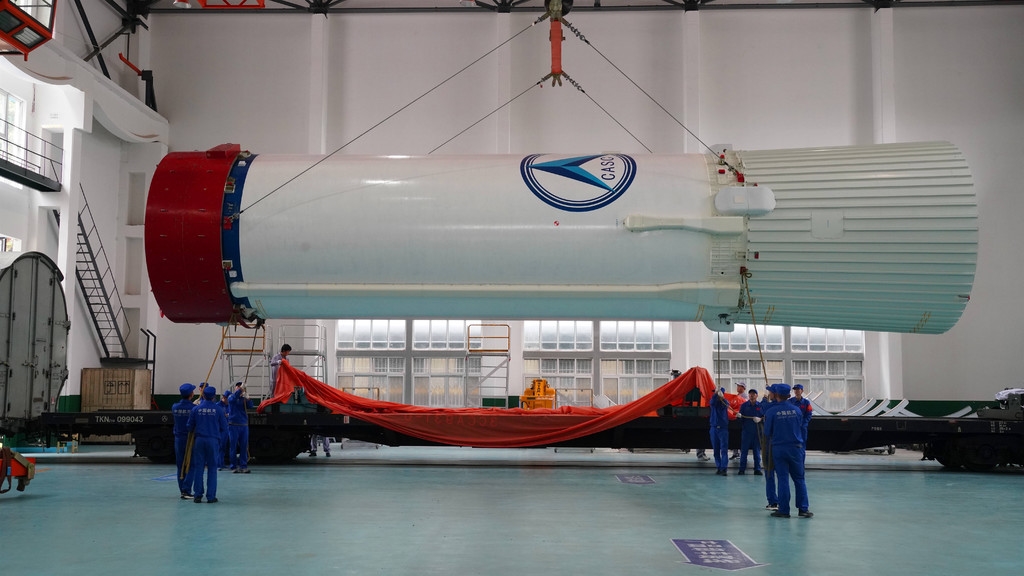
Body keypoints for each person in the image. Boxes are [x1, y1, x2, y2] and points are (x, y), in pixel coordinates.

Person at [764, 383, 812, 519]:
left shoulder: (771, 412)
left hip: (779, 449)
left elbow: (767, 432)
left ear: (776, 395)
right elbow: (801, 424)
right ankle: (803, 509)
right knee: (799, 479)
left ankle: (784, 510)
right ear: (789, 395)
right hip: (796, 448)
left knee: (783, 479)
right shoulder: (796, 410)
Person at [187, 385, 228, 503]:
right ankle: (211, 496)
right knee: (212, 468)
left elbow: (189, 426)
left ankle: (197, 495)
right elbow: (224, 427)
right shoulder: (218, 410)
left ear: (203, 395)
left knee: (199, 468)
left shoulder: (196, 409)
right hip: (213, 440)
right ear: (214, 396)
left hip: (199, 440)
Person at [172, 383, 197, 500]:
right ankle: (187, 490)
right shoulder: (193, 408)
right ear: (191, 394)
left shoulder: (175, 407)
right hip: (190, 439)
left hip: (178, 439)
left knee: (180, 465)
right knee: (191, 464)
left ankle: (182, 489)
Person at [759, 385, 779, 510]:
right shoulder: (793, 408)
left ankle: (773, 502)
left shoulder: (770, 407)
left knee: (769, 473)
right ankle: (784, 504)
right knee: (783, 476)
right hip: (786, 445)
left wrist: (764, 400)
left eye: (770, 392)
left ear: (775, 394)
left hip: (771, 444)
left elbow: (762, 409)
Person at [228, 382, 254, 473]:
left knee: (244, 446)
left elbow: (250, 406)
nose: (239, 388)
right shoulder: (231, 397)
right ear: (235, 388)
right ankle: (233, 466)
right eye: (238, 387)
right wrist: (240, 390)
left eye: (241, 387)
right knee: (233, 447)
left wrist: (248, 398)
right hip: (233, 425)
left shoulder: (244, 399)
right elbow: (233, 399)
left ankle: (243, 466)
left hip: (243, 425)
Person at [737, 388, 763, 475]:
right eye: (750, 394)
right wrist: (739, 417)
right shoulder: (744, 406)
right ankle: (742, 469)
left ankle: (757, 469)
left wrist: (760, 419)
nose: (752, 395)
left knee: (757, 452)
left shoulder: (760, 406)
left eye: (754, 394)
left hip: (757, 433)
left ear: (757, 395)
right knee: (744, 452)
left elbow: (765, 417)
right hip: (746, 433)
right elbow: (740, 420)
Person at [709, 386, 730, 475]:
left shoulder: (724, 403)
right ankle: (719, 467)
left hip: (722, 429)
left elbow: (727, 404)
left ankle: (724, 468)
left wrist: (722, 398)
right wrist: (715, 395)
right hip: (714, 428)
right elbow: (712, 402)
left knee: (724, 450)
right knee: (716, 450)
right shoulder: (714, 403)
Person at [790, 384, 813, 458]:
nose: (796, 391)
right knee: (792, 446)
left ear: (802, 391)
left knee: (802, 446)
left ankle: (801, 463)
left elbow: (809, 415)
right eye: (795, 389)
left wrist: (803, 423)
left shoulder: (806, 403)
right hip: (792, 428)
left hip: (802, 428)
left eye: (798, 389)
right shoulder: (790, 402)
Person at [730, 383, 748, 460]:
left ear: (743, 388)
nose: (737, 387)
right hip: (735, 418)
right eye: (737, 386)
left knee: (741, 437)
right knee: (735, 436)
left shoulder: (745, 397)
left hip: (742, 419)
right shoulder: (737, 396)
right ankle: (735, 453)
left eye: (739, 386)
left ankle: (742, 454)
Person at [218, 390, 231, 471]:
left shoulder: (229, 406)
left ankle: (222, 463)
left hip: (226, 428)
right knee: (219, 447)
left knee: (224, 447)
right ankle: (218, 464)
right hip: (220, 429)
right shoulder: (218, 406)